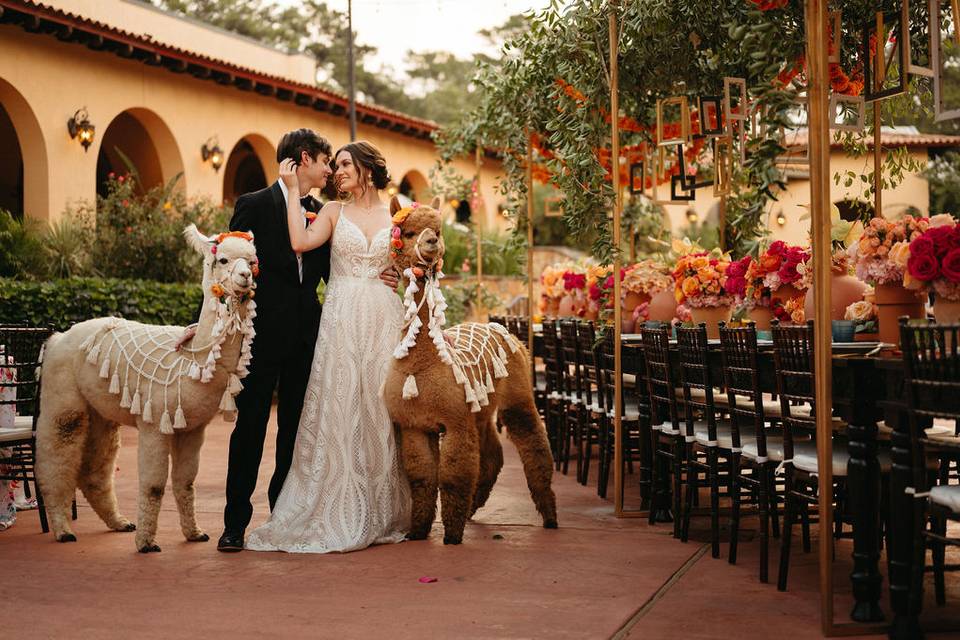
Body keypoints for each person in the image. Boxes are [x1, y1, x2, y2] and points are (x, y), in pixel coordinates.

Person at [245, 140, 410, 553]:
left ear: (368, 169)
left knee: (380, 407)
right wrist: (287, 191)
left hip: (383, 318)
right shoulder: (332, 211)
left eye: (345, 165)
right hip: (341, 320)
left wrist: (402, 275)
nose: (338, 172)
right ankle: (337, 503)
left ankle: (384, 508)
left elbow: (409, 258)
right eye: (334, 166)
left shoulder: (396, 210)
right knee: (342, 407)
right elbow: (300, 242)